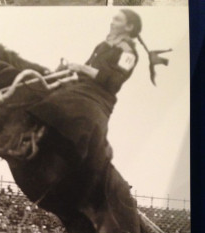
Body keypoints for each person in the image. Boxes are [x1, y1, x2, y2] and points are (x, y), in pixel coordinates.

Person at [9, 9, 171, 161]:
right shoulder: (103, 45)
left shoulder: (128, 53)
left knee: (58, 99)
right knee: (44, 87)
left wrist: (81, 67)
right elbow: (87, 67)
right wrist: (69, 69)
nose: (112, 22)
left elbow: (113, 82)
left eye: (117, 19)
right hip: (83, 85)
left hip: (100, 95)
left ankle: (34, 141)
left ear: (129, 27)